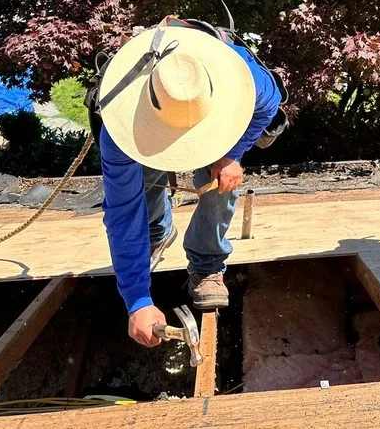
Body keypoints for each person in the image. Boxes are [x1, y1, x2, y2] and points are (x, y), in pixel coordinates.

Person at [95, 18, 282, 347]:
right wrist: (137, 300)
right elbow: (124, 213)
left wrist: (231, 155)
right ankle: (157, 231)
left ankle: (207, 261)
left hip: (216, 105)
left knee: (221, 180)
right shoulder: (118, 133)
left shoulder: (247, 82)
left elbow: (268, 105)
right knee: (145, 172)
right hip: (145, 119)